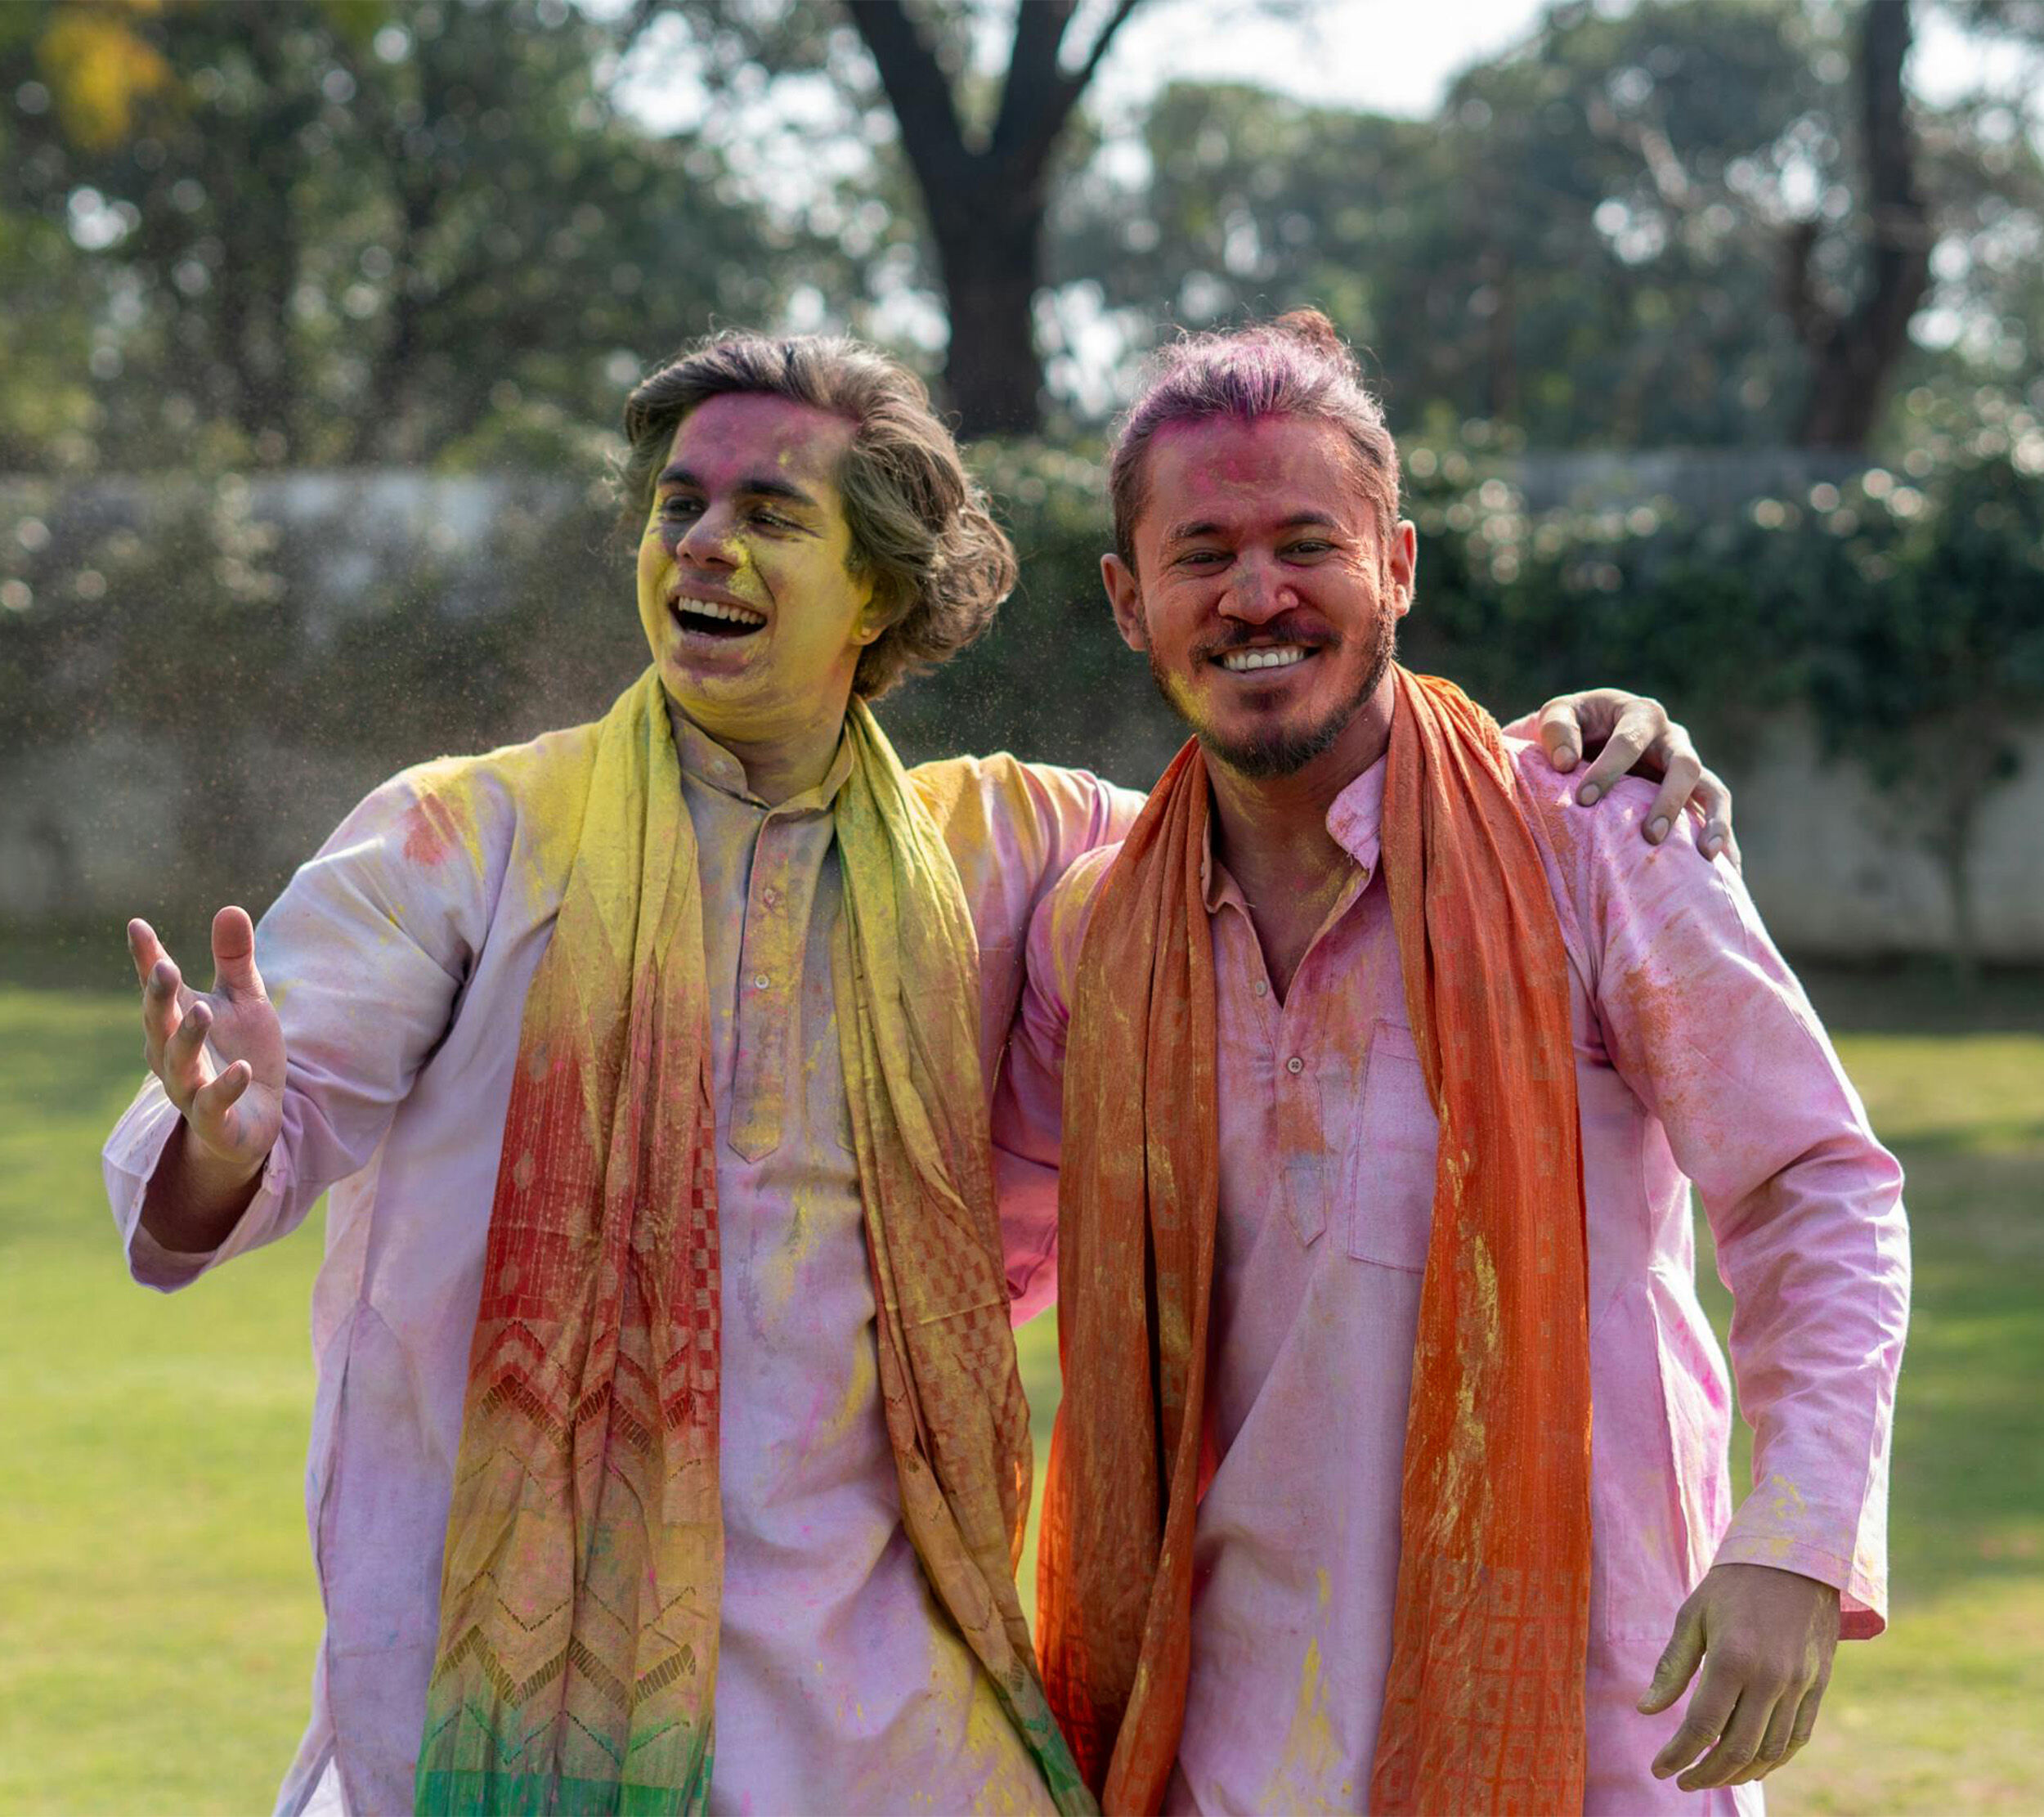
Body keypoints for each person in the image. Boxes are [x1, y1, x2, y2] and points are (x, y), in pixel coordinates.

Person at [105, 330, 1726, 1817]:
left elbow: (1294, 804)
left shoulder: (1009, 849)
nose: (702, 545)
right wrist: (231, 1133)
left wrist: (1539, 755)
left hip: (867, 1701)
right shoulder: (466, 840)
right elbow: (255, 1131)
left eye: (768, 510)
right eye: (675, 504)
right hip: (507, 1681)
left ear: (879, 586)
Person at [1007, 312, 1909, 1815]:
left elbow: (1813, 1184)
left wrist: (1796, 1535)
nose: (1256, 594)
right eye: (1201, 552)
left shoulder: (1590, 838)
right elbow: (982, 1263)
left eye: (1309, 541)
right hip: (1229, 1738)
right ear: (1125, 597)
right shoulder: (1098, 930)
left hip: (1591, 1718)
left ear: (1401, 566)